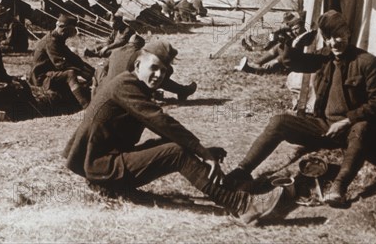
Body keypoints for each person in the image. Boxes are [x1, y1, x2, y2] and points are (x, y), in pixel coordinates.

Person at [63, 40, 284, 224]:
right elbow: (161, 122)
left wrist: (201, 150)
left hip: (104, 164)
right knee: (175, 152)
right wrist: (201, 151)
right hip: (102, 168)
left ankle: (232, 189)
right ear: (138, 64)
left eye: (164, 71)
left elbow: (162, 128)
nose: (159, 75)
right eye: (154, 68)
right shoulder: (124, 86)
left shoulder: (133, 85)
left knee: (167, 147)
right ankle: (242, 205)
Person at [225, 10, 376, 207]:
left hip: (355, 131)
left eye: (338, 35)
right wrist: (293, 44)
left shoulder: (368, 63)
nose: (334, 42)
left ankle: (339, 187)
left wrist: (347, 120)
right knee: (279, 121)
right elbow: (294, 62)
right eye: (329, 38)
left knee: (362, 127)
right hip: (325, 126)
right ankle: (242, 171)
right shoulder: (326, 58)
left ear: (348, 33)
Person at [29, 14, 95, 110]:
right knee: (70, 74)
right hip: (41, 77)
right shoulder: (51, 41)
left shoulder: (58, 39)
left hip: (50, 72)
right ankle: (86, 106)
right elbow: (60, 64)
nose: (67, 35)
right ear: (64, 29)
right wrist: (81, 71)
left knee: (82, 72)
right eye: (68, 32)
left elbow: (72, 57)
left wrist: (90, 69)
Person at [102, 38, 197, 102]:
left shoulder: (115, 52)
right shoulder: (139, 56)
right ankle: (183, 91)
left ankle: (182, 91)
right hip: (126, 90)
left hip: (107, 88)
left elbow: (104, 70)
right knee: (156, 75)